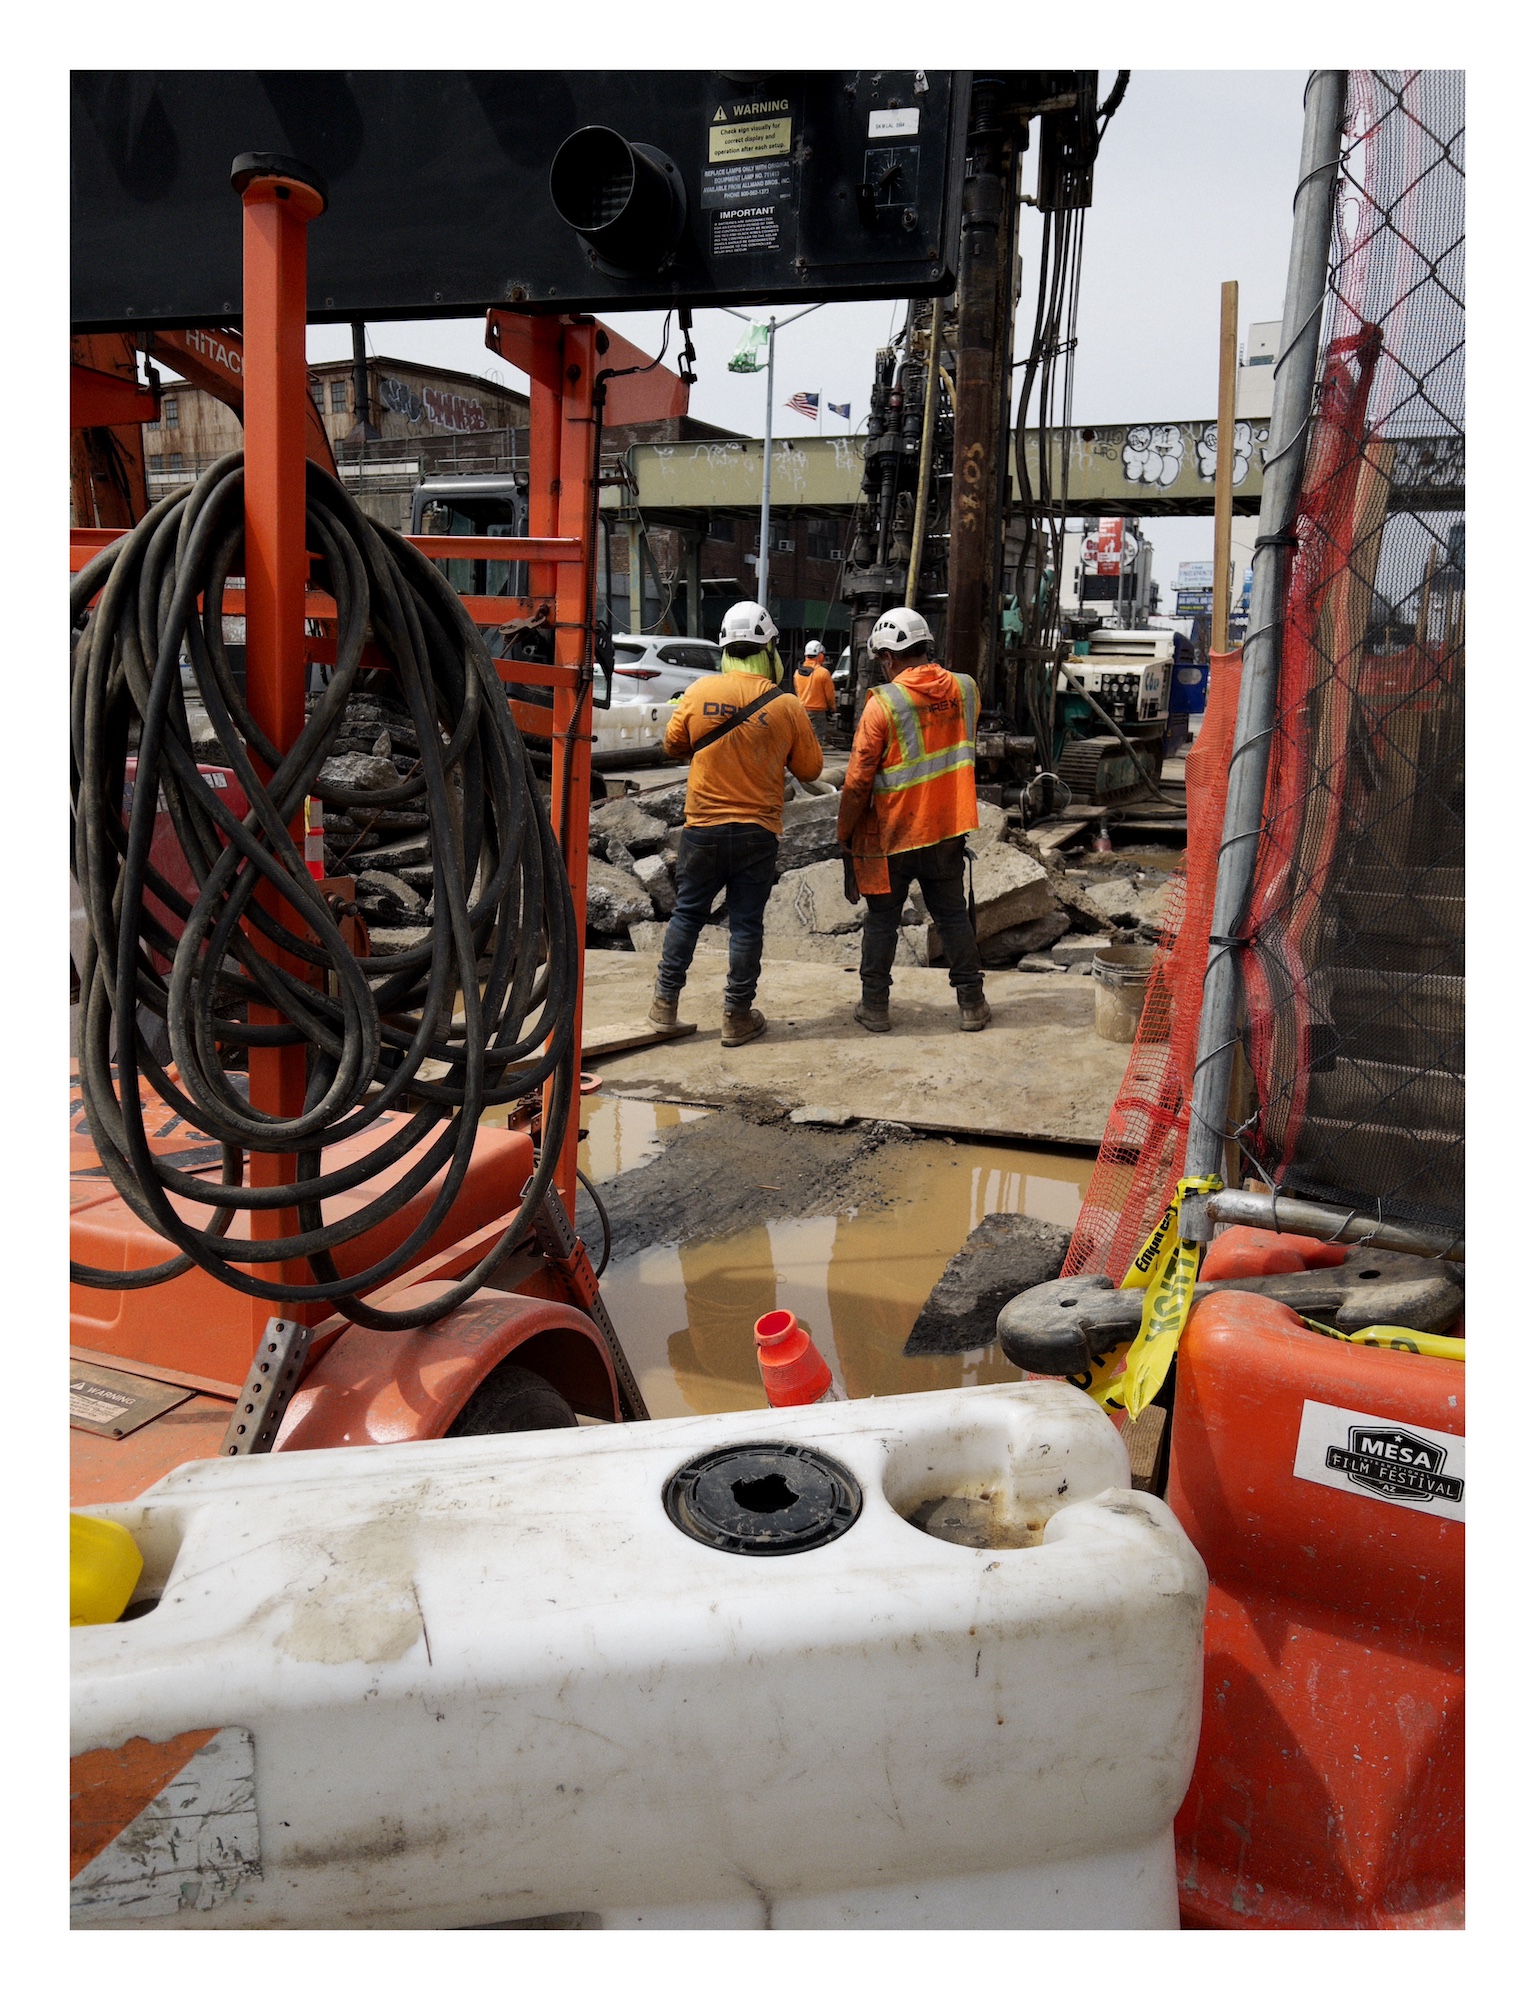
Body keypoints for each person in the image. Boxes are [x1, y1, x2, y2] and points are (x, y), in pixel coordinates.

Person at [649, 601, 822, 1048]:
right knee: (746, 925)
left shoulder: (698, 691)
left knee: (687, 914)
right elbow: (810, 770)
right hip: (756, 833)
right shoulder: (785, 704)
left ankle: (664, 1006)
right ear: (770, 650)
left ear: (725, 648)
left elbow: (673, 745)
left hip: (702, 828)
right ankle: (736, 1016)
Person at [835, 606, 991, 1034]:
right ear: (926, 647)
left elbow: (857, 780)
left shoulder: (883, 704)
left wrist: (844, 832)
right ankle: (972, 1005)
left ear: (888, 657)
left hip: (894, 833)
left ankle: (875, 1008)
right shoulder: (965, 689)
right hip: (946, 827)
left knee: (882, 919)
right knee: (953, 916)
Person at [794, 639, 837, 745]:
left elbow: (797, 691)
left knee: (803, 740)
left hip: (801, 710)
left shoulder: (797, 673)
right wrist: (832, 709)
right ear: (820, 655)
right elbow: (830, 695)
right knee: (816, 742)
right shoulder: (823, 673)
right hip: (818, 712)